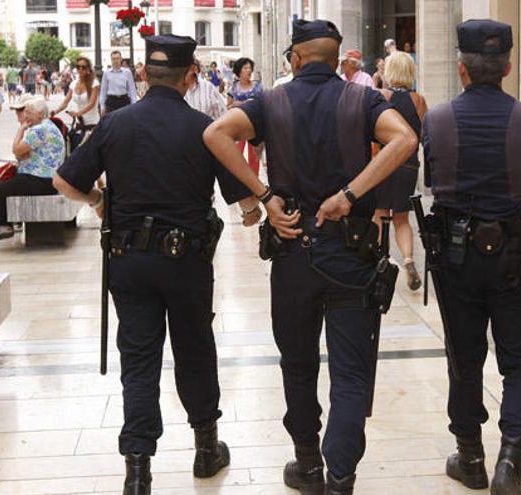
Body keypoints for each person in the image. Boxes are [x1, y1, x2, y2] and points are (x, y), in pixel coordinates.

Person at [203, 19, 418, 495]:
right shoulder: (362, 99)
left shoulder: (270, 101)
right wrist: (350, 193)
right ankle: (341, 476)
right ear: (337, 58)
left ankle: (307, 464)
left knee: (297, 363)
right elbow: (405, 139)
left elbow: (216, 134)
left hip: (294, 252)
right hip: (351, 255)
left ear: (295, 59)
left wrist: (263, 194)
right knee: (349, 371)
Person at [53, 34, 261, 495]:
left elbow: (63, 181)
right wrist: (251, 212)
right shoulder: (204, 129)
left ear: (143, 74)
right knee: (195, 350)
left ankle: (139, 470)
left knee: (140, 359)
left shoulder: (114, 123)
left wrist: (97, 199)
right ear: (191, 76)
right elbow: (245, 197)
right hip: (186, 261)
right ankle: (207, 448)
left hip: (128, 260)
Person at [422, 20, 521, 495]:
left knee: (464, 357)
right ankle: (510, 460)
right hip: (514, 256)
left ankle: (470, 456)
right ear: (508, 67)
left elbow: (434, 178)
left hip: (456, 256)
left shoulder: (435, 119)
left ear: (462, 68)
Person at [0, 97, 65, 247]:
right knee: (6, 187)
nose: (26, 116)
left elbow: (16, 150)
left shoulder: (39, 129)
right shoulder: (48, 126)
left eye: (29, 112)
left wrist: (20, 130)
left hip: (39, 180)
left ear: (41, 114)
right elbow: (20, 154)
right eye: (25, 112)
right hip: (46, 179)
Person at [372, 51, 426, 291]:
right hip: (409, 165)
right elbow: (423, 135)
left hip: (384, 163)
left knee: (379, 214)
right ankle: (408, 260)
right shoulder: (419, 100)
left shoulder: (382, 96)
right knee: (402, 218)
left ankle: (378, 260)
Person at [51, 57, 100, 153]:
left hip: (92, 123)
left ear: (89, 69)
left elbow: (92, 103)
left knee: (91, 153)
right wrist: (55, 111)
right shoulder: (73, 84)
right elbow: (66, 101)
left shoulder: (94, 83)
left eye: (83, 67)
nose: (80, 69)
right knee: (77, 152)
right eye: (78, 67)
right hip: (79, 124)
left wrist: (78, 113)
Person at [226, 57, 263, 175]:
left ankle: (255, 182)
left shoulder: (257, 86)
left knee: (254, 156)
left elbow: (262, 104)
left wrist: (242, 104)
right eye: (245, 68)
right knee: (237, 154)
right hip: (237, 125)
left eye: (250, 68)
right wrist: (233, 105)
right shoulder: (234, 88)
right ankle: (240, 181)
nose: (249, 70)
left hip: (254, 125)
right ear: (239, 71)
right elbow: (228, 106)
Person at [100, 50, 138, 115]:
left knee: (124, 122)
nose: (115, 61)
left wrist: (134, 104)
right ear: (111, 60)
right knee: (112, 123)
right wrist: (102, 106)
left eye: (117, 58)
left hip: (124, 100)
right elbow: (103, 90)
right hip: (111, 101)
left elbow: (132, 89)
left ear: (121, 59)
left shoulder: (127, 72)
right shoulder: (106, 73)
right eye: (113, 59)